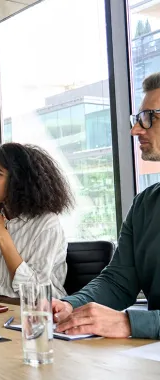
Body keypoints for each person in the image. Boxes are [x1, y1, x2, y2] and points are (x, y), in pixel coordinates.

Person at [52, 73, 160, 340]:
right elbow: (118, 282)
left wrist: (131, 323)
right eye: (137, 119)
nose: (136, 129)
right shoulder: (145, 204)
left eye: (149, 117)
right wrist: (70, 305)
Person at [0, 143, 74, 301]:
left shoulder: (46, 223)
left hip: (37, 316)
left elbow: (35, 293)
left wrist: (1, 234)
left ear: (18, 179)